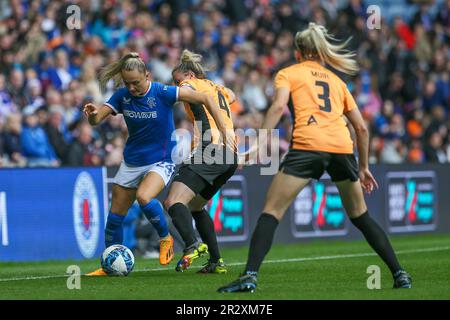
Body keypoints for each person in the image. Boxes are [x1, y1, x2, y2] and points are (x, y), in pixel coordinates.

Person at [218, 23, 412, 292]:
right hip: (342, 149)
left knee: (271, 212)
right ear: (320, 53)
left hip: (308, 145)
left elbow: (276, 107)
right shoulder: (338, 82)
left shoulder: (288, 74)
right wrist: (364, 166)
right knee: (360, 216)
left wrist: (259, 142)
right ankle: (400, 274)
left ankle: (249, 276)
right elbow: (362, 128)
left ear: (298, 52)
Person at [84, 52, 222, 275]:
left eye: (136, 83)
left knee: (144, 196)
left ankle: (165, 237)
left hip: (161, 160)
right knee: (114, 218)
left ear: (147, 75)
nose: (131, 88)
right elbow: (96, 119)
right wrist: (91, 115)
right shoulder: (122, 96)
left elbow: (205, 98)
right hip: (131, 163)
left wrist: (222, 129)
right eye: (127, 83)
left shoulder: (163, 92)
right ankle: (109, 266)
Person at [163, 49, 238, 273]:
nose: (177, 85)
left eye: (178, 80)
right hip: (229, 155)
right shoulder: (215, 87)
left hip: (211, 149)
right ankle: (216, 261)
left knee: (173, 201)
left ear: (190, 75)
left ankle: (192, 244)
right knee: (196, 205)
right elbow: (232, 95)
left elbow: (185, 89)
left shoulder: (191, 86)